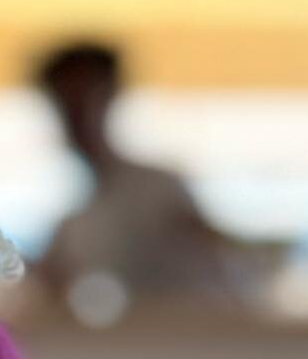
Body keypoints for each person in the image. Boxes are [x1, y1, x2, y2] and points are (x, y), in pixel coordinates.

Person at [36, 41, 239, 312]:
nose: (78, 117)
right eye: (67, 104)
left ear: (110, 99)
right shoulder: (73, 224)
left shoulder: (159, 189)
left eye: (85, 99)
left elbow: (221, 269)